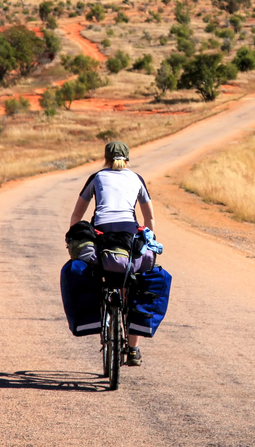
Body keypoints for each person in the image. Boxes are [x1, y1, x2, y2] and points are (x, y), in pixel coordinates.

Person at [69, 140, 154, 366]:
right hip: (128, 234)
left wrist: (73, 240)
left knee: (97, 275)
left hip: (102, 233)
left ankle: (101, 321)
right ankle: (133, 349)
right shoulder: (136, 178)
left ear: (105, 158)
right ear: (127, 158)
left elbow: (77, 215)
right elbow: (149, 219)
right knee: (133, 285)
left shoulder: (97, 177)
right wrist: (150, 241)